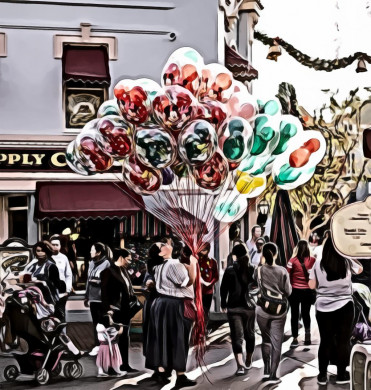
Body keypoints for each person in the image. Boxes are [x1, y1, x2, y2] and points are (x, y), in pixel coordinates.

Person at [309, 235, 363, 386]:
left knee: (325, 341)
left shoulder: (318, 264)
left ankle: (322, 375)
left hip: (323, 307)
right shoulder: (345, 261)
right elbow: (360, 270)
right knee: (343, 341)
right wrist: (350, 254)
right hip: (345, 306)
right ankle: (341, 374)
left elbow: (312, 285)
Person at [145, 241, 198, 388]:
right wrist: (193, 264)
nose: (166, 243)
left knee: (163, 339)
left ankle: (162, 371)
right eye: (162, 245)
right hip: (175, 305)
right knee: (179, 339)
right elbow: (188, 282)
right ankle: (180, 375)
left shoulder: (158, 267)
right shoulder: (174, 264)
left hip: (161, 304)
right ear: (161, 253)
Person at [254, 242, 292, 384]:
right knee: (277, 343)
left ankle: (266, 369)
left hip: (262, 309)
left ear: (263, 254)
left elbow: (255, 285)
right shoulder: (282, 271)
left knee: (266, 340)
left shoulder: (258, 270)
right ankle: (273, 375)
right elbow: (288, 292)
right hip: (279, 311)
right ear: (276, 254)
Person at [220, 244, 256, 376]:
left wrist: (223, 303)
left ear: (234, 255)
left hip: (234, 307)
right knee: (250, 334)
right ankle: (248, 359)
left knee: (236, 337)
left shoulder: (230, 270)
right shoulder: (253, 269)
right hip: (250, 307)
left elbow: (223, 289)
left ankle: (240, 365)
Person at [101, 248, 138, 373]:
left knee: (124, 338)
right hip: (115, 309)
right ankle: (111, 366)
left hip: (125, 309)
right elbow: (104, 293)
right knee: (113, 338)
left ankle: (124, 364)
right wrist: (108, 310)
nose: (130, 261)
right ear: (121, 257)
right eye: (128, 259)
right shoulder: (108, 271)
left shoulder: (124, 270)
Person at [286, 240, 316, 348]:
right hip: (307, 291)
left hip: (294, 291)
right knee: (306, 313)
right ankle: (307, 335)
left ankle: (295, 338)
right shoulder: (313, 260)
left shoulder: (292, 260)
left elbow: (287, 274)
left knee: (294, 314)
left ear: (297, 248)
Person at [84, 242, 111, 356]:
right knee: (95, 323)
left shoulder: (106, 264)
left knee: (103, 323)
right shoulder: (91, 263)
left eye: (92, 250)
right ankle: (97, 345)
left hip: (102, 299)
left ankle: (105, 347)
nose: (90, 252)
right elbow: (87, 279)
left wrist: (97, 281)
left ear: (99, 252)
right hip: (93, 298)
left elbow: (108, 282)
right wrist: (86, 296)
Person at [24, 241, 61, 306]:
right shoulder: (32, 266)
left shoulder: (51, 266)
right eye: (38, 251)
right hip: (32, 299)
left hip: (47, 300)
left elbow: (56, 284)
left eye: (43, 251)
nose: (40, 253)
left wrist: (42, 282)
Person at [50, 235, 73, 323]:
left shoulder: (64, 258)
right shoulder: (45, 257)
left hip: (61, 294)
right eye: (52, 244)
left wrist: (67, 290)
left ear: (60, 246)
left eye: (56, 245)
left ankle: (62, 335)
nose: (54, 246)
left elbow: (68, 275)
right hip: (48, 293)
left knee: (61, 315)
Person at [198, 242, 219, 325]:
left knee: (206, 311)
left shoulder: (212, 261)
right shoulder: (196, 261)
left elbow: (216, 276)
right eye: (202, 250)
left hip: (208, 291)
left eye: (205, 250)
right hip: (198, 291)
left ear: (208, 250)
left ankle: (204, 328)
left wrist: (210, 283)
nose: (203, 252)